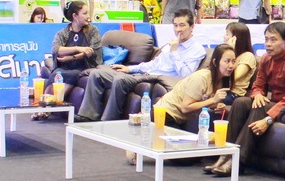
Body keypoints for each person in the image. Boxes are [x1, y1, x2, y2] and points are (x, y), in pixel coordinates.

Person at [208, 22, 285, 177]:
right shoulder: (266, 59)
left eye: (273, 40)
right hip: (277, 102)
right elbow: (258, 86)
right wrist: (257, 94)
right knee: (240, 102)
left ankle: (238, 162)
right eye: (266, 39)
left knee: (259, 106)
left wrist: (267, 120)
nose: (268, 44)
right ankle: (225, 154)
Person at [76, 9, 206, 121]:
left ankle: (108, 122)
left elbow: (186, 75)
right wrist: (129, 68)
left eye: (182, 25)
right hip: (144, 74)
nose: (178, 30)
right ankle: (87, 116)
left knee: (120, 80)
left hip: (157, 78)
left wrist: (174, 52)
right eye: (175, 25)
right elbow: (153, 64)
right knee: (97, 74)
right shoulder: (170, 45)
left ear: (192, 27)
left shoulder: (196, 49)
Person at [153, 43, 236, 130]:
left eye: (233, 61)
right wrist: (213, 100)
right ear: (215, 62)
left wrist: (217, 105)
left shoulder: (222, 81)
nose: (231, 66)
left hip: (181, 120)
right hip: (165, 114)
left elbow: (203, 101)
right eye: (227, 61)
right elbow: (185, 108)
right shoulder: (201, 78)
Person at [43, 0, 103, 107]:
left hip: (83, 66)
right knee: (56, 74)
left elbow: (91, 51)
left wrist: (72, 57)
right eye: (85, 13)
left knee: (73, 74)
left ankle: (53, 105)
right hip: (65, 66)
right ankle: (42, 106)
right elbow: (56, 49)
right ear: (75, 16)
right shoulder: (63, 33)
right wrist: (77, 48)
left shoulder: (93, 31)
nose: (88, 16)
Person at [225, 21, 259, 99]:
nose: (224, 37)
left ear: (236, 39)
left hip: (234, 94)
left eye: (227, 34)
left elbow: (234, 77)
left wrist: (229, 50)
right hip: (221, 91)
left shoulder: (248, 56)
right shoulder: (227, 54)